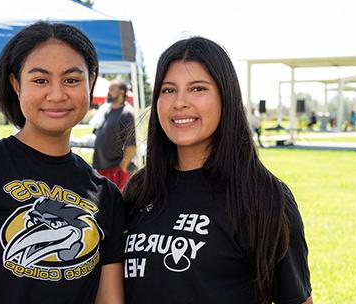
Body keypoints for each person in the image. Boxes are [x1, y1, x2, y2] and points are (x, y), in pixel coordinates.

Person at [0, 21, 126, 304]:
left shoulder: (107, 195)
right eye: (40, 80)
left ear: (91, 83)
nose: (56, 95)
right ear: (15, 84)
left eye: (71, 79)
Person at [122, 37, 312, 304]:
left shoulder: (264, 197)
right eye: (168, 90)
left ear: (226, 97)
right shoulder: (140, 189)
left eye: (197, 89)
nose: (180, 102)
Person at [92, 79, 137, 190]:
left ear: (122, 92)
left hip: (116, 170)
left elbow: (131, 145)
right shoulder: (108, 110)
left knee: (116, 204)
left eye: (112, 89)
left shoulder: (127, 113)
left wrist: (123, 166)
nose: (108, 92)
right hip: (102, 168)